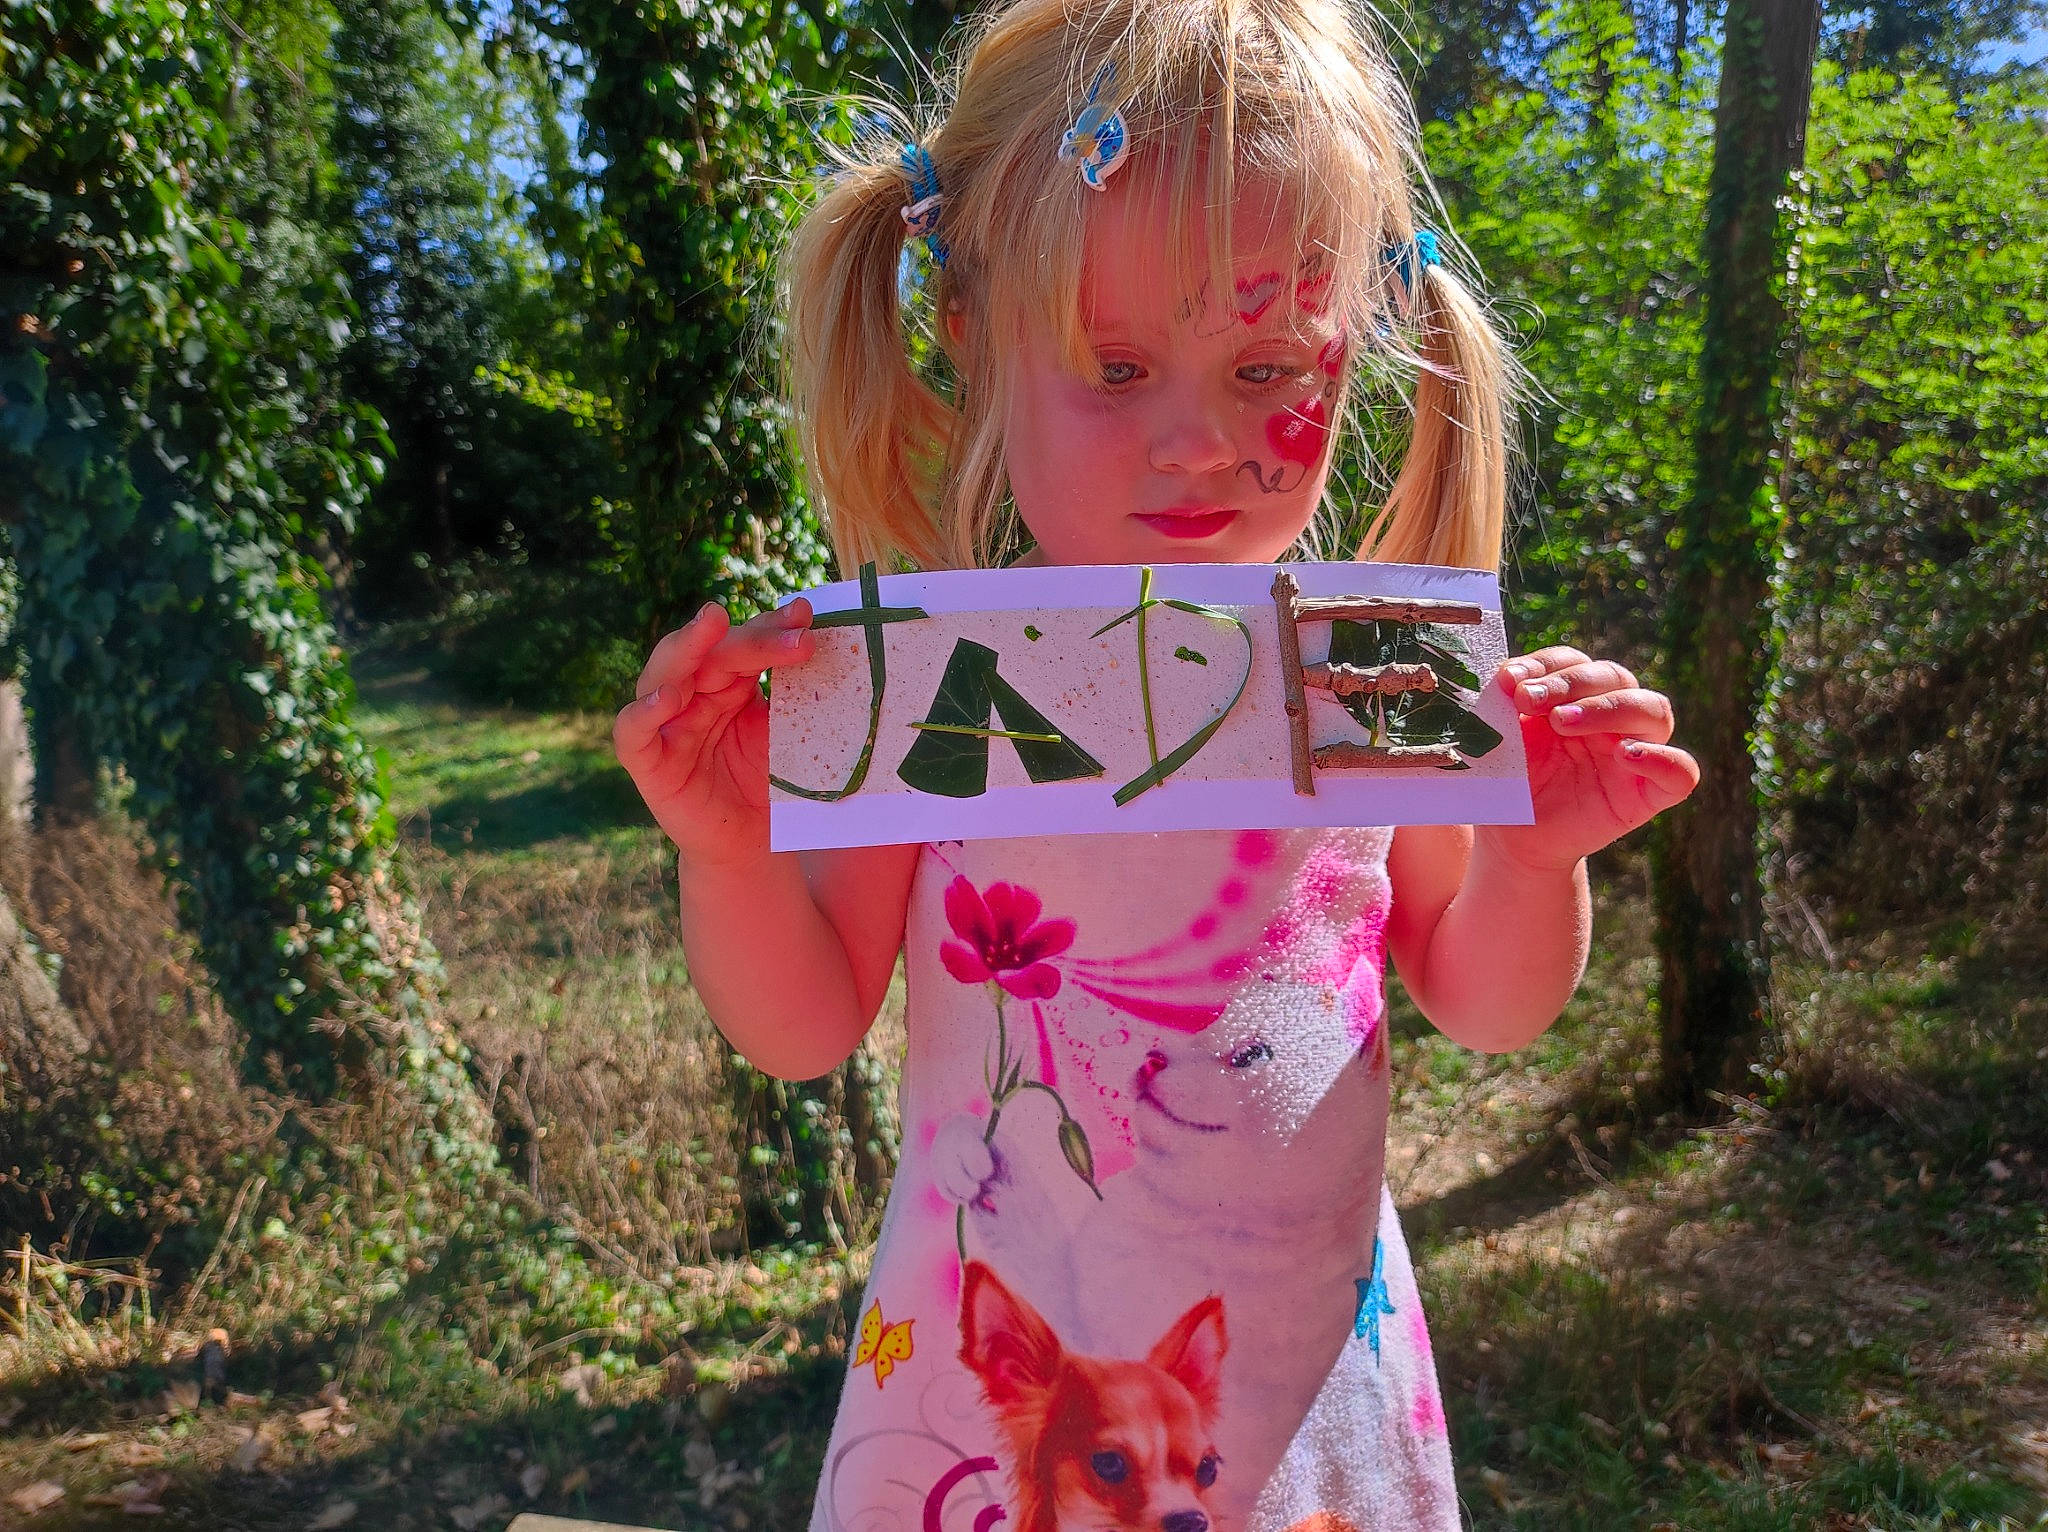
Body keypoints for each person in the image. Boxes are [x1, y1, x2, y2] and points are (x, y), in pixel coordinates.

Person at [614, 0, 1700, 1524]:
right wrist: (727, 853)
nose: (1197, 443)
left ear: (1359, 343)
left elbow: (1492, 1003)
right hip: (994, 1411)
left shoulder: (1369, 666)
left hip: (1297, 1399)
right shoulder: (933, 676)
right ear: (970, 333)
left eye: (1270, 369)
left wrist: (1537, 850)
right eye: (1116, 371)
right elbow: (804, 1030)